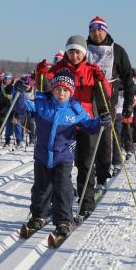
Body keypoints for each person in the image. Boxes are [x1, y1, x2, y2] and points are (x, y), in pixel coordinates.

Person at [14, 70, 112, 236]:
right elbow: (23, 108)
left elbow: (90, 125)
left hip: (63, 156)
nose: (61, 93)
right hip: (42, 155)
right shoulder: (41, 104)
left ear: (71, 91)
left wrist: (101, 121)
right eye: (58, 89)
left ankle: (64, 220)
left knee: (62, 189)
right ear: (52, 90)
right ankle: (39, 215)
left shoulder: (75, 110)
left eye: (66, 90)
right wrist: (19, 92)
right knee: (41, 188)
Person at [37, 35, 112, 218]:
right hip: (62, 123)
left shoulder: (91, 70)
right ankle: (57, 201)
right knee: (59, 165)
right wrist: (40, 74)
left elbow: (106, 94)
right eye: (71, 51)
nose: (75, 55)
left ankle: (86, 203)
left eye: (78, 52)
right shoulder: (58, 68)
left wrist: (100, 79)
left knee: (85, 163)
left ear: (84, 53)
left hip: (84, 120)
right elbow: (43, 88)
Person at [86, 16, 134, 190]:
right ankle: (86, 177)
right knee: (87, 140)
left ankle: (102, 177)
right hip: (85, 99)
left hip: (107, 100)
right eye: (93, 30)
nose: (96, 33)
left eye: (99, 29)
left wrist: (128, 103)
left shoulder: (117, 50)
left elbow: (128, 78)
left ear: (105, 31)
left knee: (105, 139)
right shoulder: (84, 49)